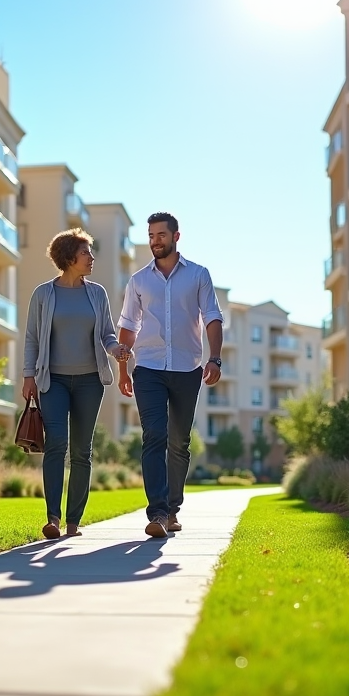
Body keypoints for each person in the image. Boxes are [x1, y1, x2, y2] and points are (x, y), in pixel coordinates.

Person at [117, 211, 224, 538]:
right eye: (151, 236)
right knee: (154, 436)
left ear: (176, 237)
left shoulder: (198, 275)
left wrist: (215, 358)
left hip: (187, 368)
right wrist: (123, 369)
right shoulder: (138, 281)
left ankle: (173, 508)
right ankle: (158, 513)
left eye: (161, 235)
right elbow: (127, 326)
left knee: (179, 442)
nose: (155, 241)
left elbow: (212, 318)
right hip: (147, 368)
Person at [22, 228, 130, 540]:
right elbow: (31, 338)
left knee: (82, 451)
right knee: (56, 443)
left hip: (89, 382)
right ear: (70, 258)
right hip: (52, 380)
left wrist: (116, 349)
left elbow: (108, 333)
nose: (91, 258)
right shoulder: (44, 294)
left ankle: (73, 521)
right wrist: (29, 376)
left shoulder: (97, 293)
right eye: (86, 253)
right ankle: (52, 518)